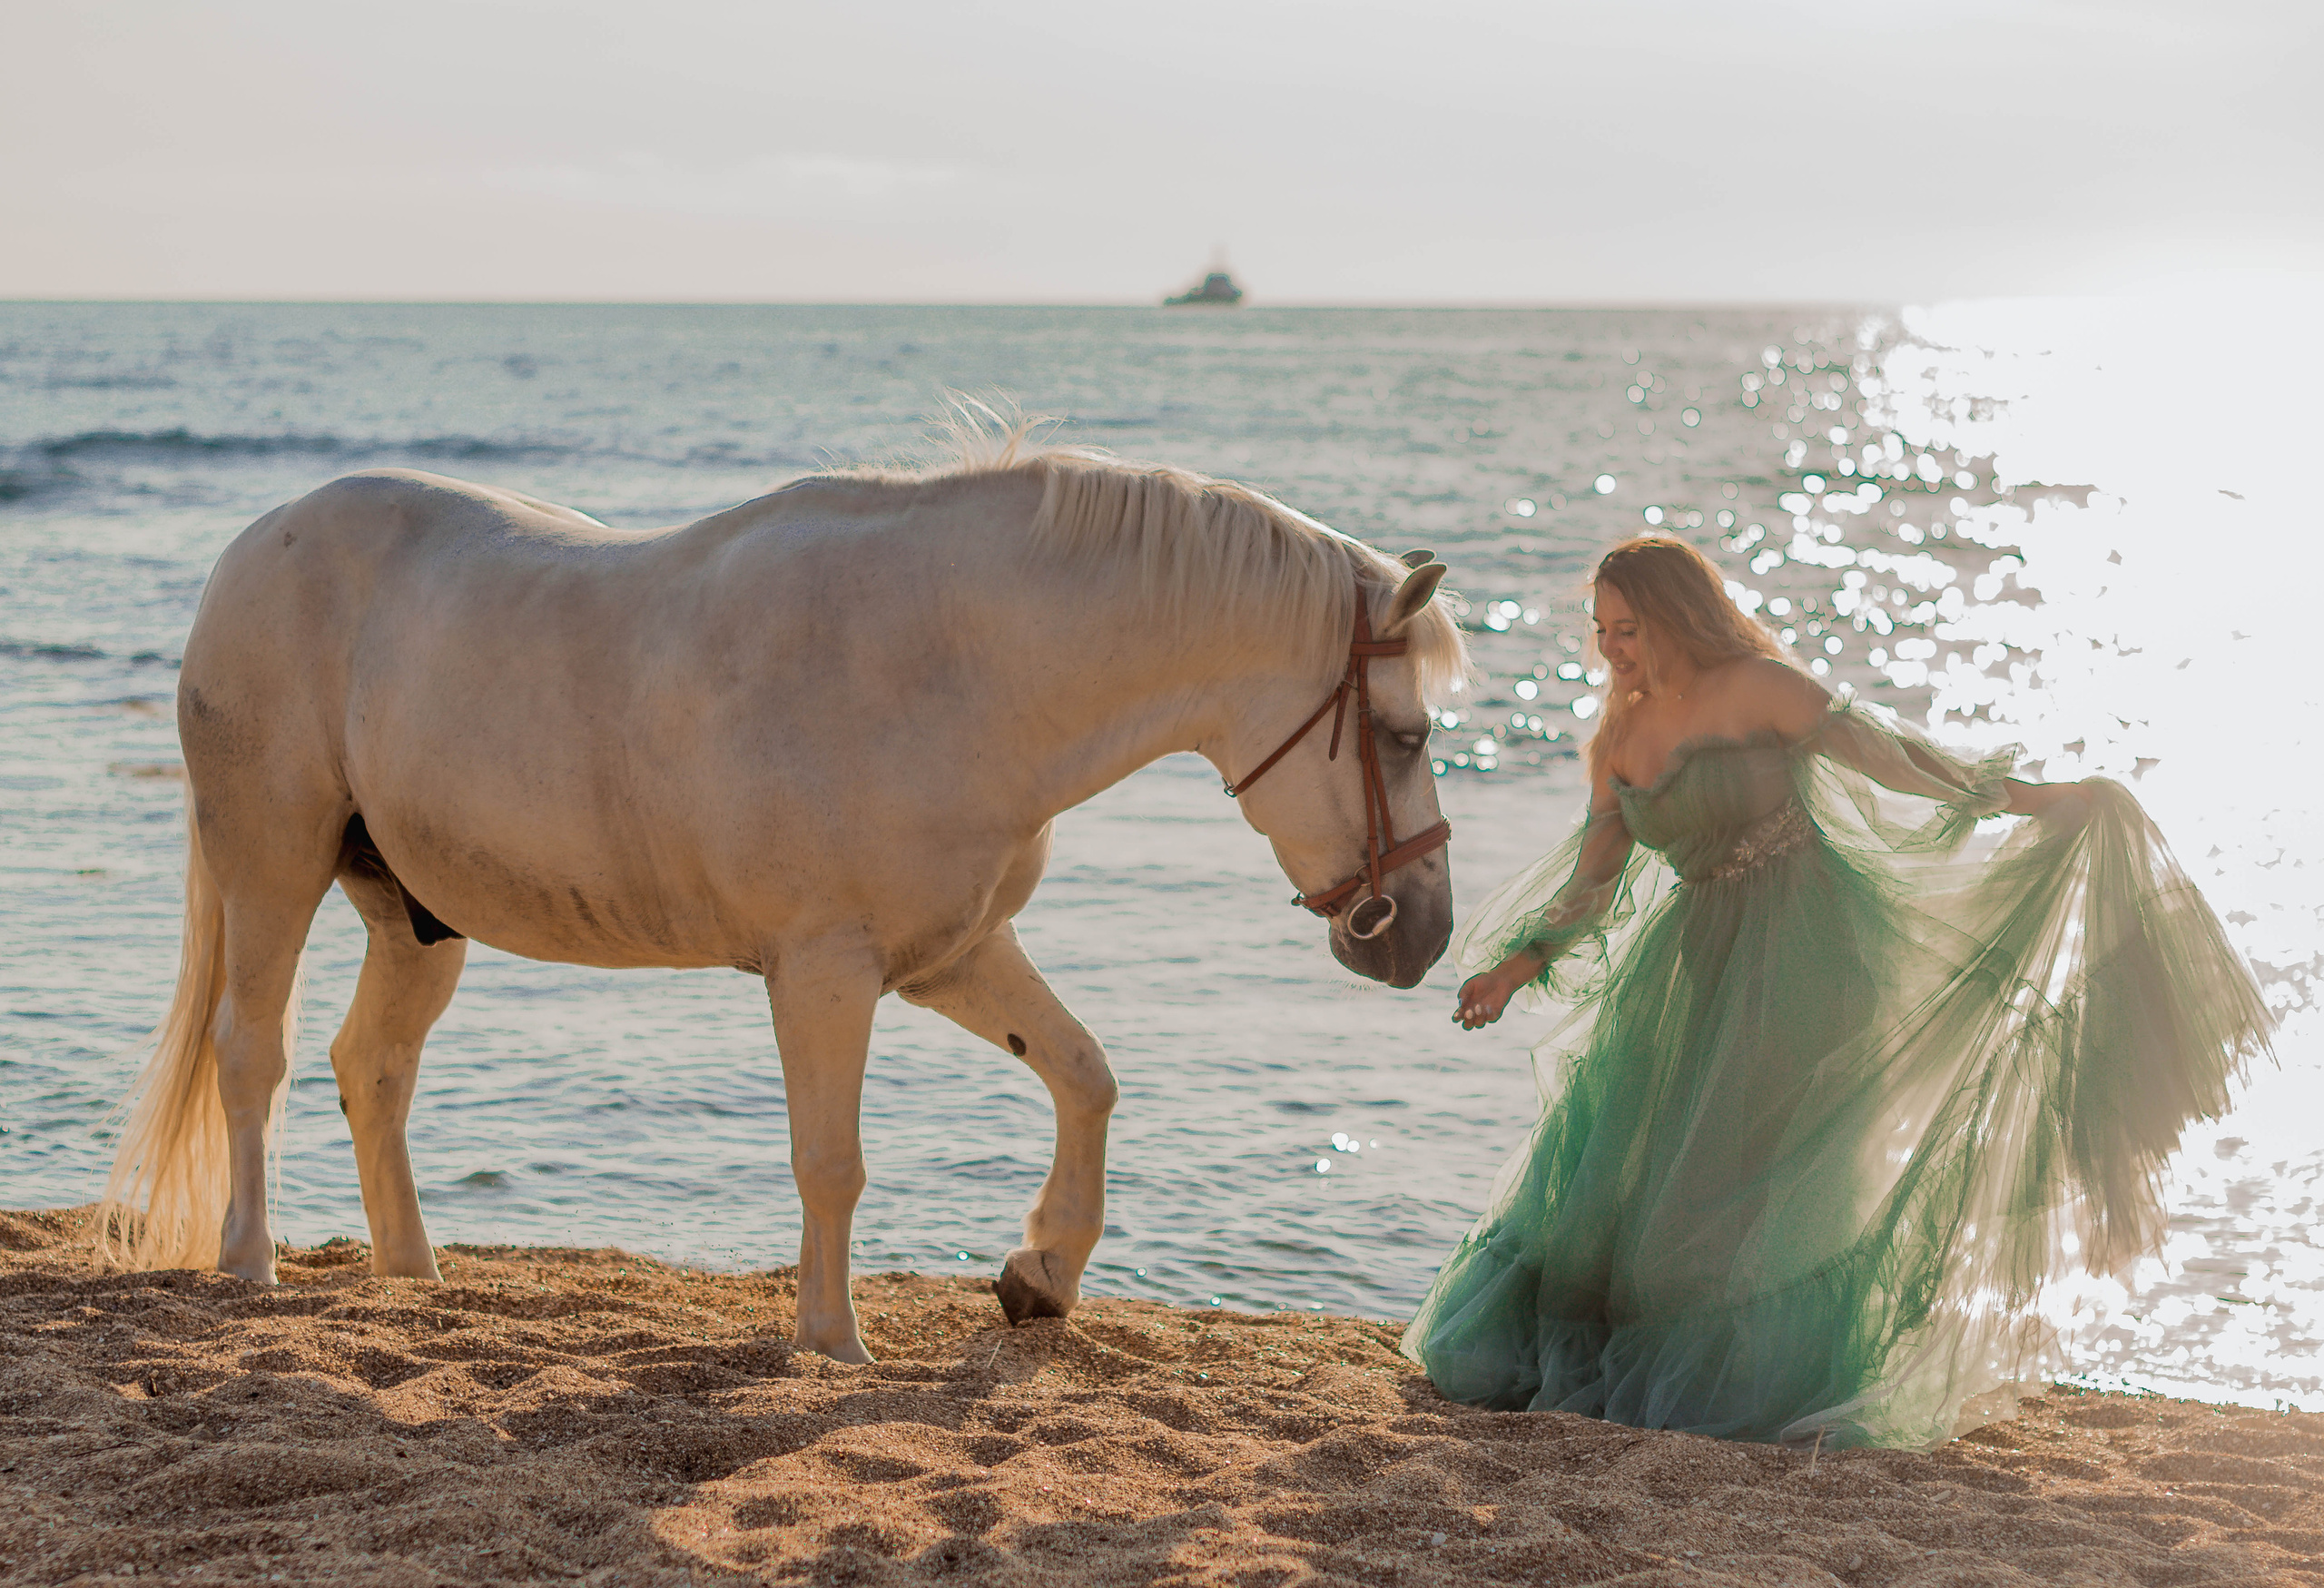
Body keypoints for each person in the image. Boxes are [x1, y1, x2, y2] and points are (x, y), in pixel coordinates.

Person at [1402, 535, 2271, 1449]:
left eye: (1630, 629)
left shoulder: (1763, 687)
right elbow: (1593, 884)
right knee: (1659, 1177)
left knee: (1768, 1176)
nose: (1613, 650)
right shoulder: (1617, 735)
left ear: (1679, 617)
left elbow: (1891, 758)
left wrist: (2023, 799)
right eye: (1602, 631)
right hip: (1694, 965)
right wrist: (1517, 965)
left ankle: (1772, 1373)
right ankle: (1674, 1363)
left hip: (1810, 949)